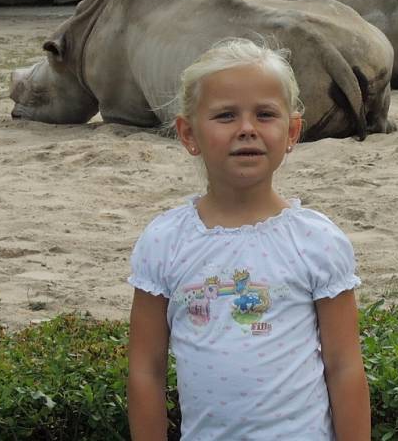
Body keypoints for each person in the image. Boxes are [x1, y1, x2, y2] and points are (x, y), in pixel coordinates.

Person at [127, 37, 371, 440]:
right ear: (189, 134)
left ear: (292, 131)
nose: (246, 129)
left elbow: (344, 367)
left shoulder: (317, 241)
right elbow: (145, 371)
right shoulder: (164, 242)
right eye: (225, 116)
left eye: (264, 114)